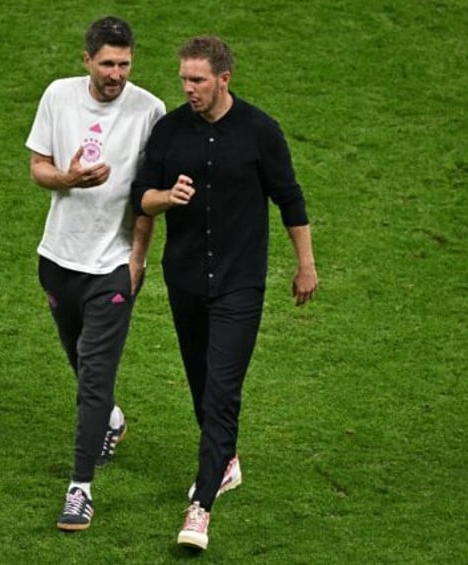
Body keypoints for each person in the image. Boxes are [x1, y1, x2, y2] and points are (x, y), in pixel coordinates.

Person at [130, 36, 318, 550]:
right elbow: (140, 198)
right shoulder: (169, 131)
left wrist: (306, 265)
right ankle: (226, 458)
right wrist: (168, 197)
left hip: (240, 284)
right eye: (184, 79)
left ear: (224, 79)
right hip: (185, 281)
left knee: (221, 390)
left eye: (198, 80)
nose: (188, 88)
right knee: (200, 381)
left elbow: (290, 198)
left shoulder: (260, 131)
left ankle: (201, 506)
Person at [25, 16, 165, 532]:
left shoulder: (150, 110)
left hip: (113, 263)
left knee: (94, 373)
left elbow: (148, 195)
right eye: (107, 63)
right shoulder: (58, 96)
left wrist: (138, 259)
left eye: (125, 63)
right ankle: (110, 419)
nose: (117, 74)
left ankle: (80, 488)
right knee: (78, 361)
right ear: (86, 60)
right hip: (59, 258)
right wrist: (69, 179)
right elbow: (38, 167)